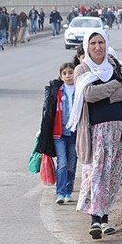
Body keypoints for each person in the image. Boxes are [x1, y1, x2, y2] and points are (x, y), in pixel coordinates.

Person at [66, 31, 122, 239]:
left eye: (101, 42)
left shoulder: (115, 66)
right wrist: (114, 85)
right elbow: (88, 95)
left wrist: (106, 94)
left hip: (118, 130)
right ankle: (95, 219)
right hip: (94, 131)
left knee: (111, 176)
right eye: (93, 43)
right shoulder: (81, 69)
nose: (98, 47)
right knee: (96, 173)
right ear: (87, 46)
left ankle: (104, 219)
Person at [37, 62, 79, 204]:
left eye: (70, 72)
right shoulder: (57, 92)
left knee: (72, 164)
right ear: (60, 76)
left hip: (75, 133)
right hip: (59, 134)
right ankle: (60, 193)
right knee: (62, 163)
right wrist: (42, 131)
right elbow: (48, 113)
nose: (68, 76)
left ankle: (68, 191)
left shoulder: (80, 90)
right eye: (65, 73)